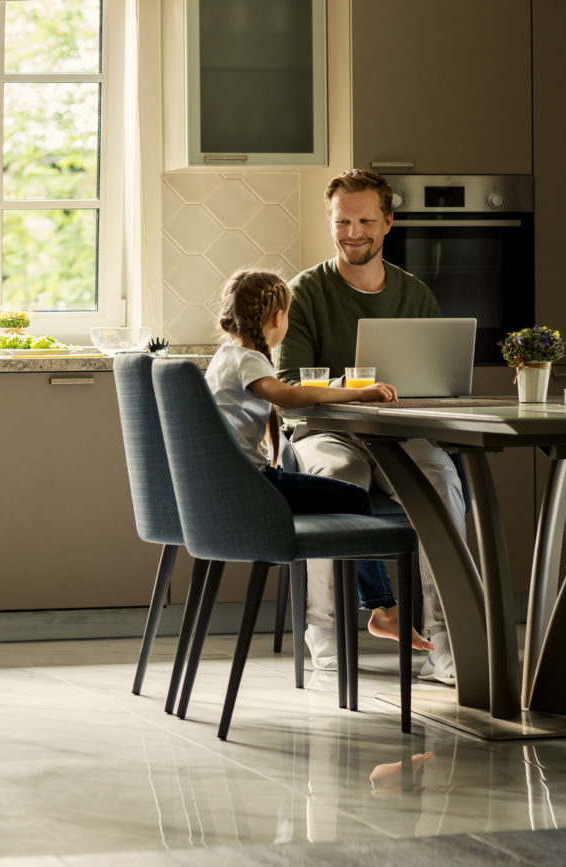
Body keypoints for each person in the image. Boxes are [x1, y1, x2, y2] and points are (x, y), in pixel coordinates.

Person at [278, 169, 466, 684]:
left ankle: (448, 648)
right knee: (335, 479)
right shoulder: (305, 293)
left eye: (364, 220)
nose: (352, 232)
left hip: (399, 434)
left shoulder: (415, 295)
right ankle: (328, 641)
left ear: (388, 223)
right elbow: (290, 382)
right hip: (325, 434)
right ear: (330, 222)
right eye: (342, 221)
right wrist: (356, 388)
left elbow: (437, 383)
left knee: (443, 484)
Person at [205, 268, 433, 650]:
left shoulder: (225, 356)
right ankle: (383, 610)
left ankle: (376, 611)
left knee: (339, 497)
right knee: (353, 498)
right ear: (277, 318)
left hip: (233, 483)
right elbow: (289, 396)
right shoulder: (249, 360)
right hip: (254, 485)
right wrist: (356, 394)